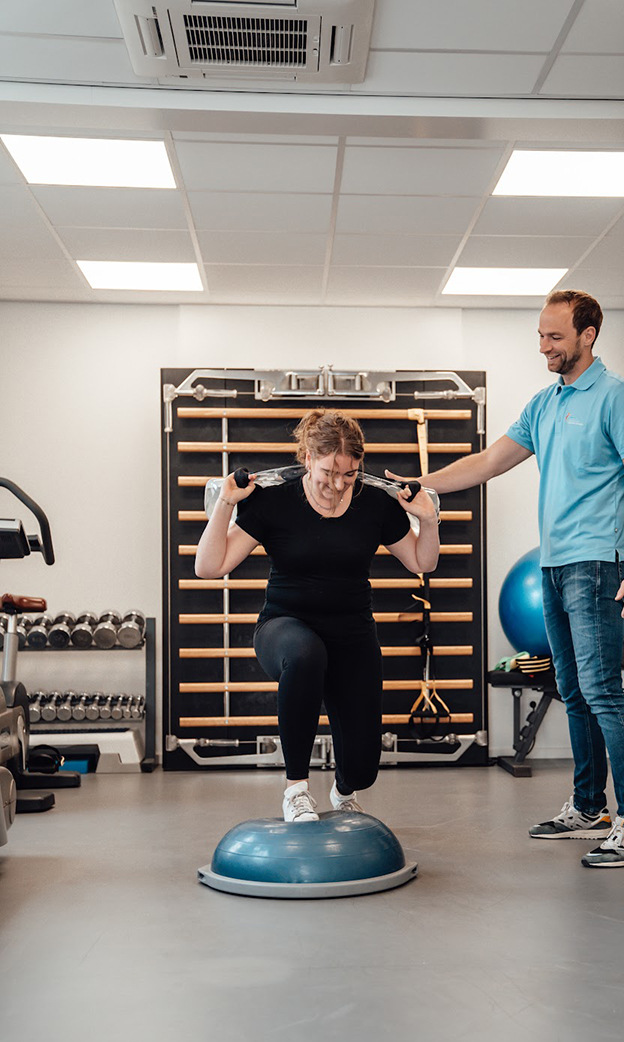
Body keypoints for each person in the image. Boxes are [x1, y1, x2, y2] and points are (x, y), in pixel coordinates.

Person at [388, 289, 624, 868]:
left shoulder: (614, 398)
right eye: (540, 335)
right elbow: (488, 462)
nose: (543, 346)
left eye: (555, 336)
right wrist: (422, 485)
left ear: (588, 335)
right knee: (573, 692)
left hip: (598, 563)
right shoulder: (544, 404)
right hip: (553, 564)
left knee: (603, 692)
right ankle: (589, 808)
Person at [195, 409, 440, 822]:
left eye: (349, 474)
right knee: (305, 654)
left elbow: (422, 561)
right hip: (284, 626)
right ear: (308, 458)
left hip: (352, 633)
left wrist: (428, 519)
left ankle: (343, 792)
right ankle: (296, 790)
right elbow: (208, 567)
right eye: (328, 472)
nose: (338, 484)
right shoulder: (274, 501)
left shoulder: (374, 503)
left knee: (362, 768)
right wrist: (226, 501)